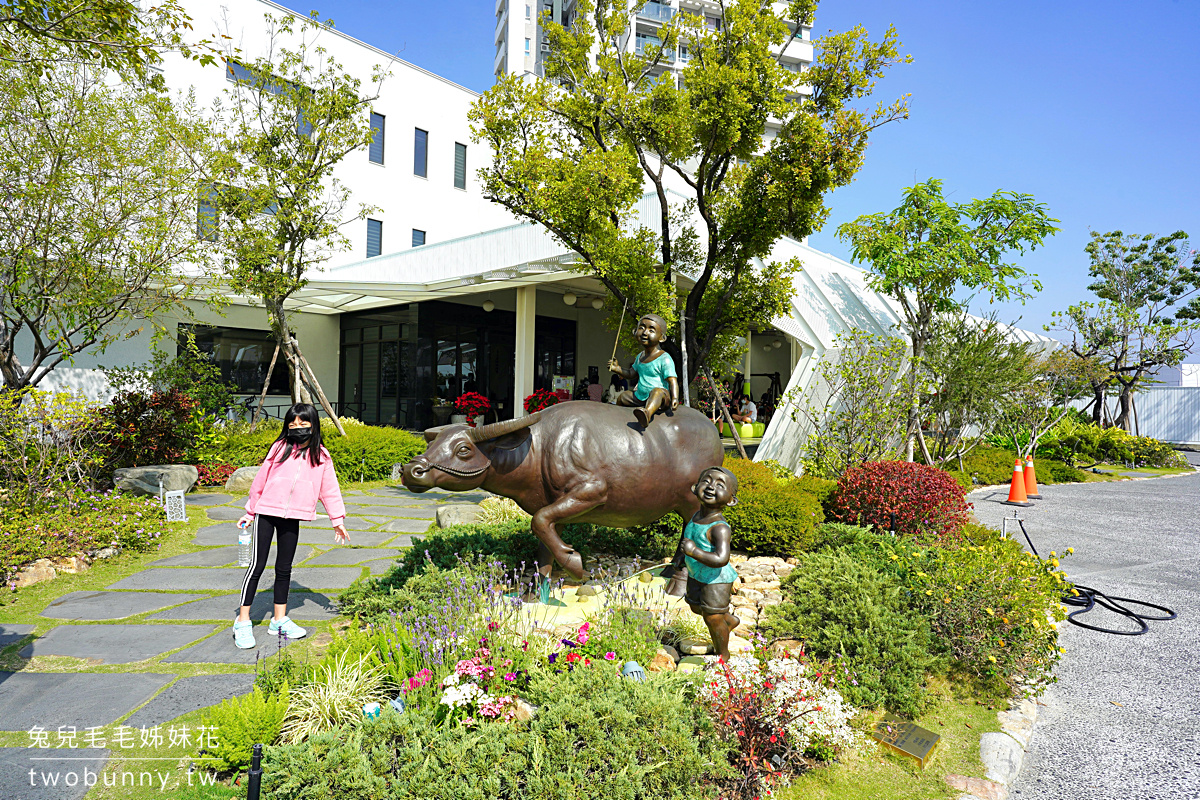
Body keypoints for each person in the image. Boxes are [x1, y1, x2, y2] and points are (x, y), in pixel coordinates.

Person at [233, 403, 348, 649]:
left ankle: (279, 619)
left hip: (293, 516)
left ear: (313, 425)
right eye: (292, 424)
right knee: (257, 565)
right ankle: (242, 621)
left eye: (303, 424)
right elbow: (261, 480)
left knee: (284, 568)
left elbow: (330, 491)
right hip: (266, 512)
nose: (297, 428)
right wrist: (250, 511)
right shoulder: (280, 447)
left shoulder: (322, 457)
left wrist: (337, 521)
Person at [679, 466, 741, 661]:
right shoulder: (696, 517)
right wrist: (682, 559)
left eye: (720, 485)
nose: (711, 487)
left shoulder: (720, 528)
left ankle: (723, 656)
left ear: (731, 500)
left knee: (712, 617)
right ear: (694, 487)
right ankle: (729, 621)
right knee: (695, 606)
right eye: (706, 481)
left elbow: (721, 559)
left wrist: (693, 551)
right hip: (697, 573)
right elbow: (689, 539)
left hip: (716, 579)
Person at [607, 313, 679, 427]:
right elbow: (631, 373)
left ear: (662, 337)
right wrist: (618, 369)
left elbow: (672, 381)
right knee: (623, 396)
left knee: (657, 392)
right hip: (640, 396)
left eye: (651, 330)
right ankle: (618, 418)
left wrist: (675, 397)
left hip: (660, 397)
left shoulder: (664, 358)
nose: (645, 332)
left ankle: (647, 413)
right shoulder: (640, 356)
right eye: (641, 328)